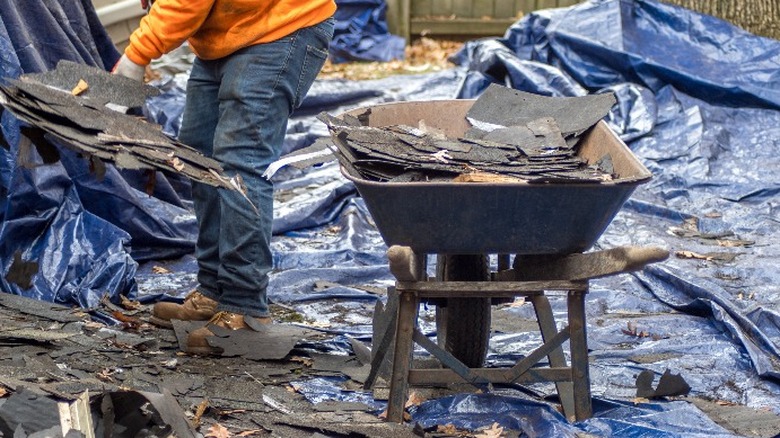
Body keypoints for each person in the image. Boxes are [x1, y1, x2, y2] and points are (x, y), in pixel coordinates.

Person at [113, 0, 336, 355]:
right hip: (227, 32)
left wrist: (136, 56)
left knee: (240, 163)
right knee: (199, 158)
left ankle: (245, 307)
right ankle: (214, 291)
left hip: (280, 29)